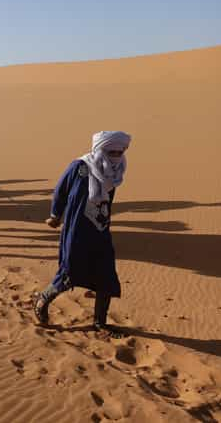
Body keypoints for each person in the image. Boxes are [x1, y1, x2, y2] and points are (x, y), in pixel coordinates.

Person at [33, 131, 132, 338]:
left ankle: (100, 322)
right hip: (77, 228)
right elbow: (61, 190)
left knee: (106, 273)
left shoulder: (115, 172)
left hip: (100, 229)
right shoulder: (80, 166)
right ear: (100, 149)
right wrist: (55, 215)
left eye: (119, 151)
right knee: (70, 270)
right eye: (110, 150)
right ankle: (42, 300)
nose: (115, 154)